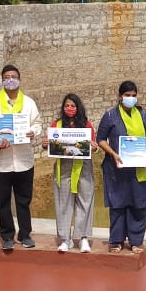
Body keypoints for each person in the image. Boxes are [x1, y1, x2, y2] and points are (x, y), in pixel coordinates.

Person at [0, 64, 41, 250]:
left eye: (13, 76)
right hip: (0, 162)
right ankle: (7, 235)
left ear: (19, 79)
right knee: (2, 200)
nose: (10, 80)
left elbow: (37, 123)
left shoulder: (29, 103)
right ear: (2, 80)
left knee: (24, 200)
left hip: (23, 161)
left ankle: (25, 234)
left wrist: (32, 132)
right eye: (7, 77)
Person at [96, 81, 146, 255]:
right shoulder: (110, 116)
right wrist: (113, 153)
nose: (130, 98)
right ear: (120, 96)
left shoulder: (143, 115)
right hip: (117, 168)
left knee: (139, 205)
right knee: (118, 204)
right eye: (127, 95)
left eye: (133, 95)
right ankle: (116, 240)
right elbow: (100, 139)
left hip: (139, 169)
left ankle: (136, 241)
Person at [47, 94, 97, 254]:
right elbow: (51, 145)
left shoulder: (86, 124)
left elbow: (93, 146)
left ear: (78, 107)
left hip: (83, 167)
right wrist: (45, 144)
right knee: (63, 202)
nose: (70, 108)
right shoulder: (57, 124)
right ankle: (65, 239)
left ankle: (83, 238)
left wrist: (94, 146)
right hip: (64, 168)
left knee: (85, 201)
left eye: (73, 106)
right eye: (67, 106)